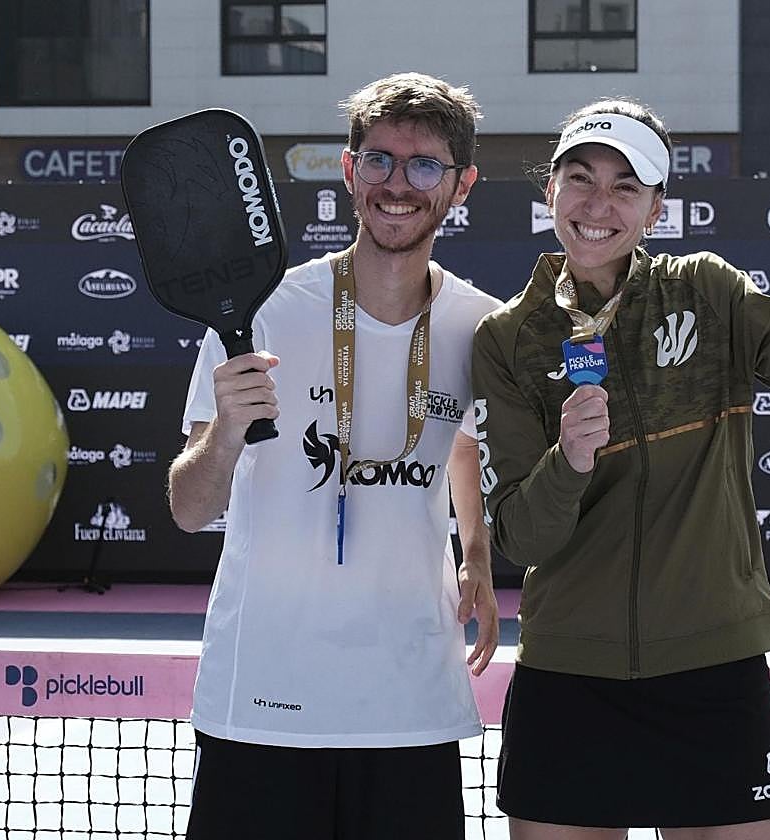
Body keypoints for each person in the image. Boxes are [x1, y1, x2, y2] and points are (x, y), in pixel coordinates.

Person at [471, 100, 770, 839]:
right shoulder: (507, 338)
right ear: (550, 190)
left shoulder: (709, 289)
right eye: (580, 179)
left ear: (656, 209)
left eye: (625, 186)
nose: (598, 204)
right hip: (568, 676)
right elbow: (524, 538)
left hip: (712, 670)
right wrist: (569, 461)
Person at [169, 72, 501, 840]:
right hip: (264, 704)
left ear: (461, 186)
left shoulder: (480, 325)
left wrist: (476, 554)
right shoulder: (260, 317)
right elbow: (189, 509)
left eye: (425, 165)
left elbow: (462, 442)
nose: (398, 184)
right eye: (379, 160)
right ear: (349, 172)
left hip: (408, 707)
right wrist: (223, 432)